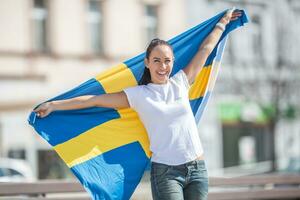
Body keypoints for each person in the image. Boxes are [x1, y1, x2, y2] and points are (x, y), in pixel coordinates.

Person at [34, 8, 241, 200]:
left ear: (173, 62)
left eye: (167, 61)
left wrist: (223, 22)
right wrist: (54, 105)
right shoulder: (139, 95)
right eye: (157, 60)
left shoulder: (181, 82)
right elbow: (94, 100)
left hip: (197, 170)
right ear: (147, 62)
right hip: (167, 174)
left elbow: (205, 49)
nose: (163, 66)